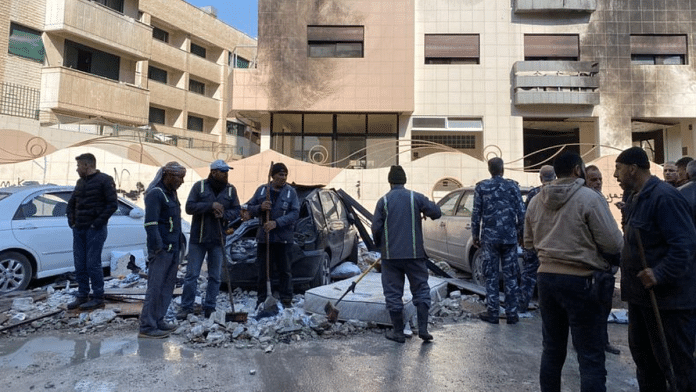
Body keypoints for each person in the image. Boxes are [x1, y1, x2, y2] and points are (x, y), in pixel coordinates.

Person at [525, 151, 623, 392]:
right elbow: (613, 243)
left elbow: (527, 242)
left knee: (552, 349)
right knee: (590, 355)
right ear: (579, 170)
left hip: (546, 279)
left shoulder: (536, 200)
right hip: (582, 281)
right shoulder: (589, 198)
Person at [614, 147, 696, 392]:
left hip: (668, 303)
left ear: (632, 168)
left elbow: (685, 245)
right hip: (642, 300)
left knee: (676, 367)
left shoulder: (665, 197)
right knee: (646, 365)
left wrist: (660, 273)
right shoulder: (636, 197)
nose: (616, 175)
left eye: (618, 169)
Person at [372, 165, 441, 342]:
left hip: (391, 256)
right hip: (415, 255)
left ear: (390, 181)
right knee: (421, 290)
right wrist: (426, 212)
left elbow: (376, 228)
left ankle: (398, 332)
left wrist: (381, 245)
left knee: (393, 293)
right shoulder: (415, 198)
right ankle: (424, 329)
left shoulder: (384, 201)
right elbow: (436, 213)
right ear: (404, 180)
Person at [177, 160, 240, 320]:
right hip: (199, 239)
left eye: (227, 172)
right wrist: (210, 206)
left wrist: (224, 215)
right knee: (192, 275)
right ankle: (186, 308)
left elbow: (236, 210)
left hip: (218, 239)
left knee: (215, 276)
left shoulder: (231, 190)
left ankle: (210, 307)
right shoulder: (200, 187)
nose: (226, 175)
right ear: (213, 172)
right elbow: (189, 207)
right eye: (223, 172)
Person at [472, 157, 525, 325]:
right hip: (509, 239)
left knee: (491, 276)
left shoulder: (482, 187)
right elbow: (522, 213)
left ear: (489, 170)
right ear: (503, 169)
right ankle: (512, 314)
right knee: (511, 276)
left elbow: (476, 214)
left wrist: (475, 235)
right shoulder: (513, 186)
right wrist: (521, 234)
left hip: (490, 239)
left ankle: (493, 313)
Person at [139, 162, 187, 339]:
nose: (181, 181)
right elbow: (151, 224)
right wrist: (159, 247)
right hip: (161, 251)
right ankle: (147, 326)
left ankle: (159, 320)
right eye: (179, 177)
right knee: (155, 288)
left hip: (172, 248)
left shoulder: (171, 193)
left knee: (166, 288)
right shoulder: (155, 194)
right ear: (167, 175)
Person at [66, 153, 118, 311]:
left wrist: (96, 224)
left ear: (87, 166)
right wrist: (72, 220)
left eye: (78, 166)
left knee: (92, 264)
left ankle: (98, 298)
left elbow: (112, 205)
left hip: (95, 230)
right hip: (79, 229)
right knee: (79, 264)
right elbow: (72, 202)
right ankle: (82, 295)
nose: (77, 169)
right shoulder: (80, 182)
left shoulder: (105, 180)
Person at [245, 162, 300, 308]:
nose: (283, 178)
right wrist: (260, 207)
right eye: (280, 174)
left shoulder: (290, 192)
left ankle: (286, 300)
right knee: (263, 271)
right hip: (265, 239)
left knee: (285, 271)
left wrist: (277, 223)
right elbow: (249, 209)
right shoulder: (262, 191)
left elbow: (295, 213)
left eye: (285, 175)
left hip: (283, 239)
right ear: (272, 175)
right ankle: (262, 300)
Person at [584, 164, 622, 356]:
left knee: (604, 305)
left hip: (605, 264)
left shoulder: (599, 199)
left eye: (599, 179)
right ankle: (590, 343)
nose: (598, 182)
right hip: (592, 264)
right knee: (591, 307)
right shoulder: (584, 201)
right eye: (593, 179)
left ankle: (602, 341)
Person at [519, 165, 555, 313]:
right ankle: (547, 307)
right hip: (554, 242)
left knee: (529, 275)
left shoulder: (533, 194)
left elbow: (525, 218)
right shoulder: (563, 193)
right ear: (555, 177)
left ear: (541, 178)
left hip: (535, 241)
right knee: (551, 276)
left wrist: (524, 239)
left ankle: (521, 306)